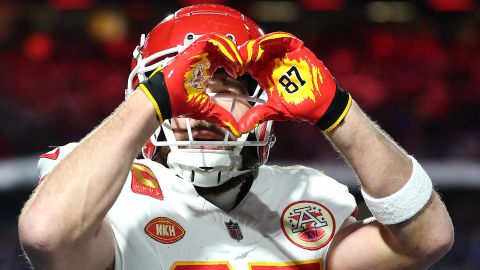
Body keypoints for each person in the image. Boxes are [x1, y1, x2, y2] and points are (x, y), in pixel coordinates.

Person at [18, 4, 453, 270]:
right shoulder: (109, 191)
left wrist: (340, 112)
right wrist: (154, 101)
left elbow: (428, 240)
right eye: (186, 89)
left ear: (266, 100)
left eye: (226, 89)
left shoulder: (306, 196)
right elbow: (45, 234)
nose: (203, 104)